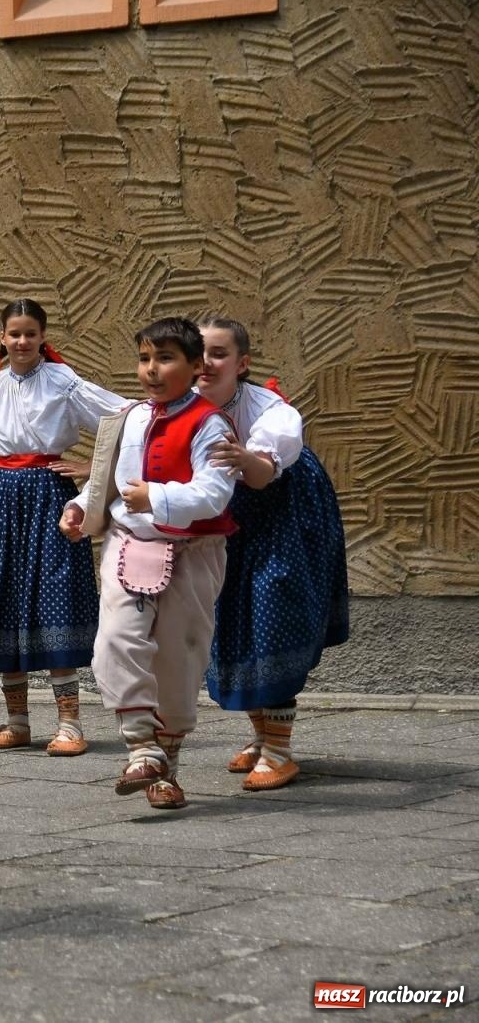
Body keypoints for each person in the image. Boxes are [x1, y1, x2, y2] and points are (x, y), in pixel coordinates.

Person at [60, 317, 236, 810]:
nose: (151, 370)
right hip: (130, 544)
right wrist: (78, 507)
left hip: (194, 554)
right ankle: (140, 744)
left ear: (196, 366)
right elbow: (107, 479)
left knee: (177, 660)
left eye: (165, 359)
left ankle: (166, 770)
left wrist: (154, 495)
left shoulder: (212, 425)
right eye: (144, 359)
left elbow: (214, 492)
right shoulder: (130, 417)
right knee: (115, 640)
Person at [0, 299, 125, 755]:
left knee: (54, 598)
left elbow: (125, 417)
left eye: (30, 333)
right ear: (2, 338)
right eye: (14, 333)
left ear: (42, 336)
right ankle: (18, 721)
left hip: (49, 494)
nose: (22, 341)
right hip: (3, 497)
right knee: (7, 598)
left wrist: (91, 464)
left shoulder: (63, 382)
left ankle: (70, 724)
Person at [198, 318, 349, 791]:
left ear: (241, 364)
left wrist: (245, 460)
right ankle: (263, 737)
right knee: (232, 618)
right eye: (197, 351)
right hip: (227, 518)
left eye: (218, 353)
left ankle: (279, 751)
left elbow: (262, 475)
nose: (206, 362)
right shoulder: (181, 407)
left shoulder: (272, 413)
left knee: (271, 611)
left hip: (283, 513)